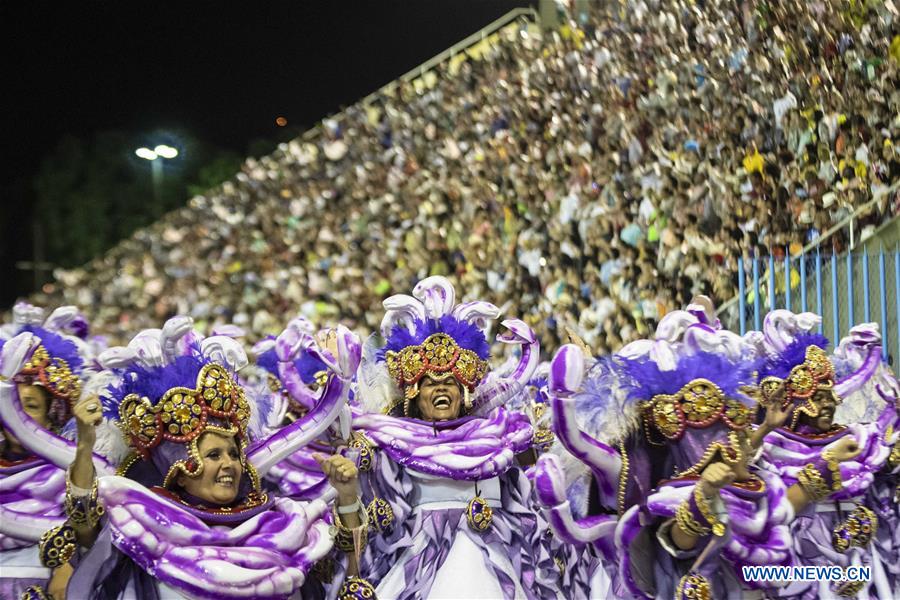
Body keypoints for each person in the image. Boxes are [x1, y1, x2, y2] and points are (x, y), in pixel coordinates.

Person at [47, 317, 357, 599]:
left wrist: (347, 496)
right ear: (178, 471)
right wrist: (85, 446)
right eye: (212, 454)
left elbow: (347, 575)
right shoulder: (145, 528)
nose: (229, 464)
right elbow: (85, 522)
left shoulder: (282, 524)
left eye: (234, 453)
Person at [317, 276, 563, 599]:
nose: (442, 388)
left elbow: (531, 515)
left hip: (500, 571)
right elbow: (368, 535)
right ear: (414, 395)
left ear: (465, 392)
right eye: (431, 383)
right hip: (419, 577)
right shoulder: (393, 447)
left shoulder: (499, 442)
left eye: (451, 381)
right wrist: (348, 495)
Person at [755, 311, 899, 598]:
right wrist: (828, 464)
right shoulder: (774, 445)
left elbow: (881, 477)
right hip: (807, 555)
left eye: (829, 397)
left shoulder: (857, 436)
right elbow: (772, 512)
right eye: (817, 399)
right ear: (795, 403)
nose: (828, 405)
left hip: (865, 553)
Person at [0, 305, 96, 599]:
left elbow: (88, 535)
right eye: (12, 407)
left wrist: (68, 566)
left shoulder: (67, 470)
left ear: (51, 416)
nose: (19, 419)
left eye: (30, 407)